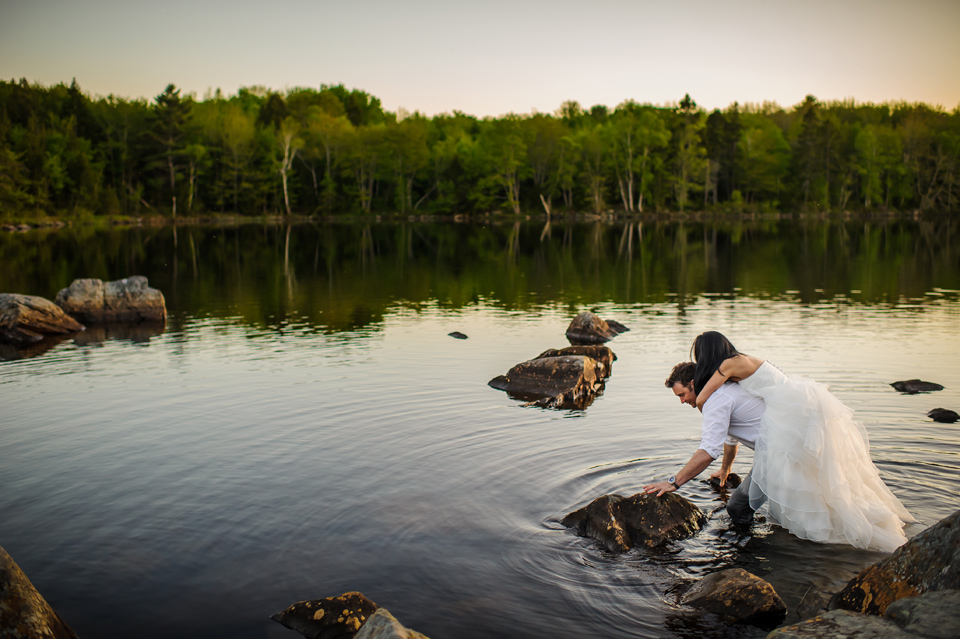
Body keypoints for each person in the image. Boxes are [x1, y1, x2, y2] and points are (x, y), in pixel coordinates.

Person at [689, 331, 915, 552]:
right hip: (797, 407)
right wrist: (725, 468)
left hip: (790, 412)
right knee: (812, 481)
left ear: (708, 354)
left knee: (792, 477)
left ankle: (766, 544)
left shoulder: (728, 365)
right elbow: (730, 432)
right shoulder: (740, 360)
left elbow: (703, 397)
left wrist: (703, 406)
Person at [644, 362, 766, 527]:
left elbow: (708, 451)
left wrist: (673, 482)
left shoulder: (715, 401)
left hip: (780, 455)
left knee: (738, 508)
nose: (682, 401)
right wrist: (725, 469)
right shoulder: (725, 389)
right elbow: (731, 440)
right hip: (780, 450)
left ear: (693, 384)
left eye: (682, 394)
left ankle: (749, 551)